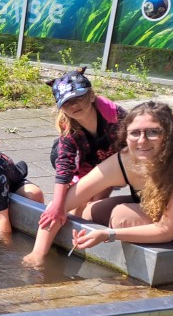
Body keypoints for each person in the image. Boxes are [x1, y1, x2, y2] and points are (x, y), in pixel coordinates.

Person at [24, 102, 173, 266]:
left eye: (153, 132)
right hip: (158, 210)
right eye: (135, 133)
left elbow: (166, 230)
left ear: (169, 135)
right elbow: (61, 206)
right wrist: (37, 255)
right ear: (125, 135)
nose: (142, 141)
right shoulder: (124, 159)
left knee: (122, 218)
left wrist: (109, 235)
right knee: (91, 211)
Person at [44, 67, 127, 229]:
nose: (73, 105)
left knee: (96, 199)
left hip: (112, 162)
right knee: (76, 202)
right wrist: (57, 205)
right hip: (84, 160)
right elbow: (64, 167)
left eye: (78, 98)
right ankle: (72, 229)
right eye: (66, 102)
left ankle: (88, 225)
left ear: (91, 96)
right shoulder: (69, 128)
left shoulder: (115, 115)